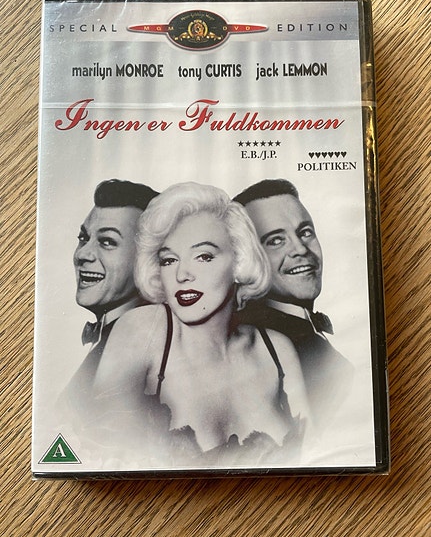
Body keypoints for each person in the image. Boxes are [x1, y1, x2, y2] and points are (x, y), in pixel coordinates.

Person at [93, 182, 311, 468]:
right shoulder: (144, 329)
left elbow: (316, 454)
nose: (182, 274)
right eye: (169, 260)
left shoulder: (276, 350)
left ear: (240, 262)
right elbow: (98, 453)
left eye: (204, 256)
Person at [233, 179, 353, 431]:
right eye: (275, 240)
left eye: (305, 232)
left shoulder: (302, 331)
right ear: (243, 262)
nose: (300, 249)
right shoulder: (265, 345)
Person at [60, 179, 159, 424]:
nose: (82, 254)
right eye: (83, 238)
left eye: (107, 241)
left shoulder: (143, 342)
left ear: (149, 260)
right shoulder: (110, 334)